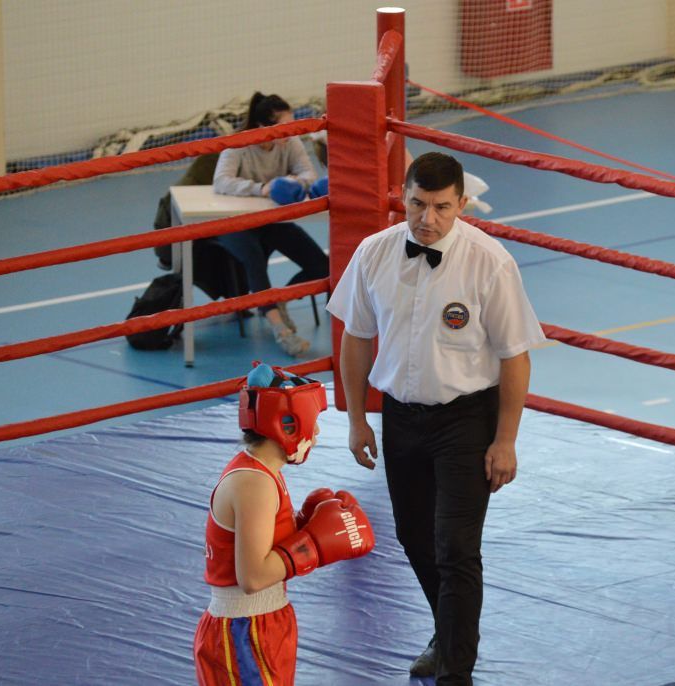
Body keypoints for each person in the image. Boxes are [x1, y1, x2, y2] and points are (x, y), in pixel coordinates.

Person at [327, 152, 546, 684]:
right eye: (418, 204)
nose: (428, 219)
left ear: (462, 203)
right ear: (401, 197)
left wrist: (506, 441)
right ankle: (446, 636)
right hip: (400, 417)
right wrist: (356, 419)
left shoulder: (489, 262)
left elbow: (516, 357)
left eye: (442, 207)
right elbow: (355, 337)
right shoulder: (375, 252)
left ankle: (455, 672)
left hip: (466, 420)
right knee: (413, 536)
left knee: (456, 548)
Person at [193, 362, 375, 685]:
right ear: (288, 423)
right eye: (313, 422)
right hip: (245, 630)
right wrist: (313, 544)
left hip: (263, 622)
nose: (316, 434)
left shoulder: (264, 473)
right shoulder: (254, 483)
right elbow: (252, 577)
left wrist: (303, 527)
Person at [213, 92, 330, 357]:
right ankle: (281, 331)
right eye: (284, 125)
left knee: (321, 265)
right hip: (235, 223)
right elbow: (221, 181)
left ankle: (280, 301)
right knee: (254, 258)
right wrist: (262, 188)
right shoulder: (240, 144)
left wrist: (292, 183)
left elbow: (309, 174)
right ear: (262, 127)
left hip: (271, 220)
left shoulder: (290, 141)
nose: (291, 131)